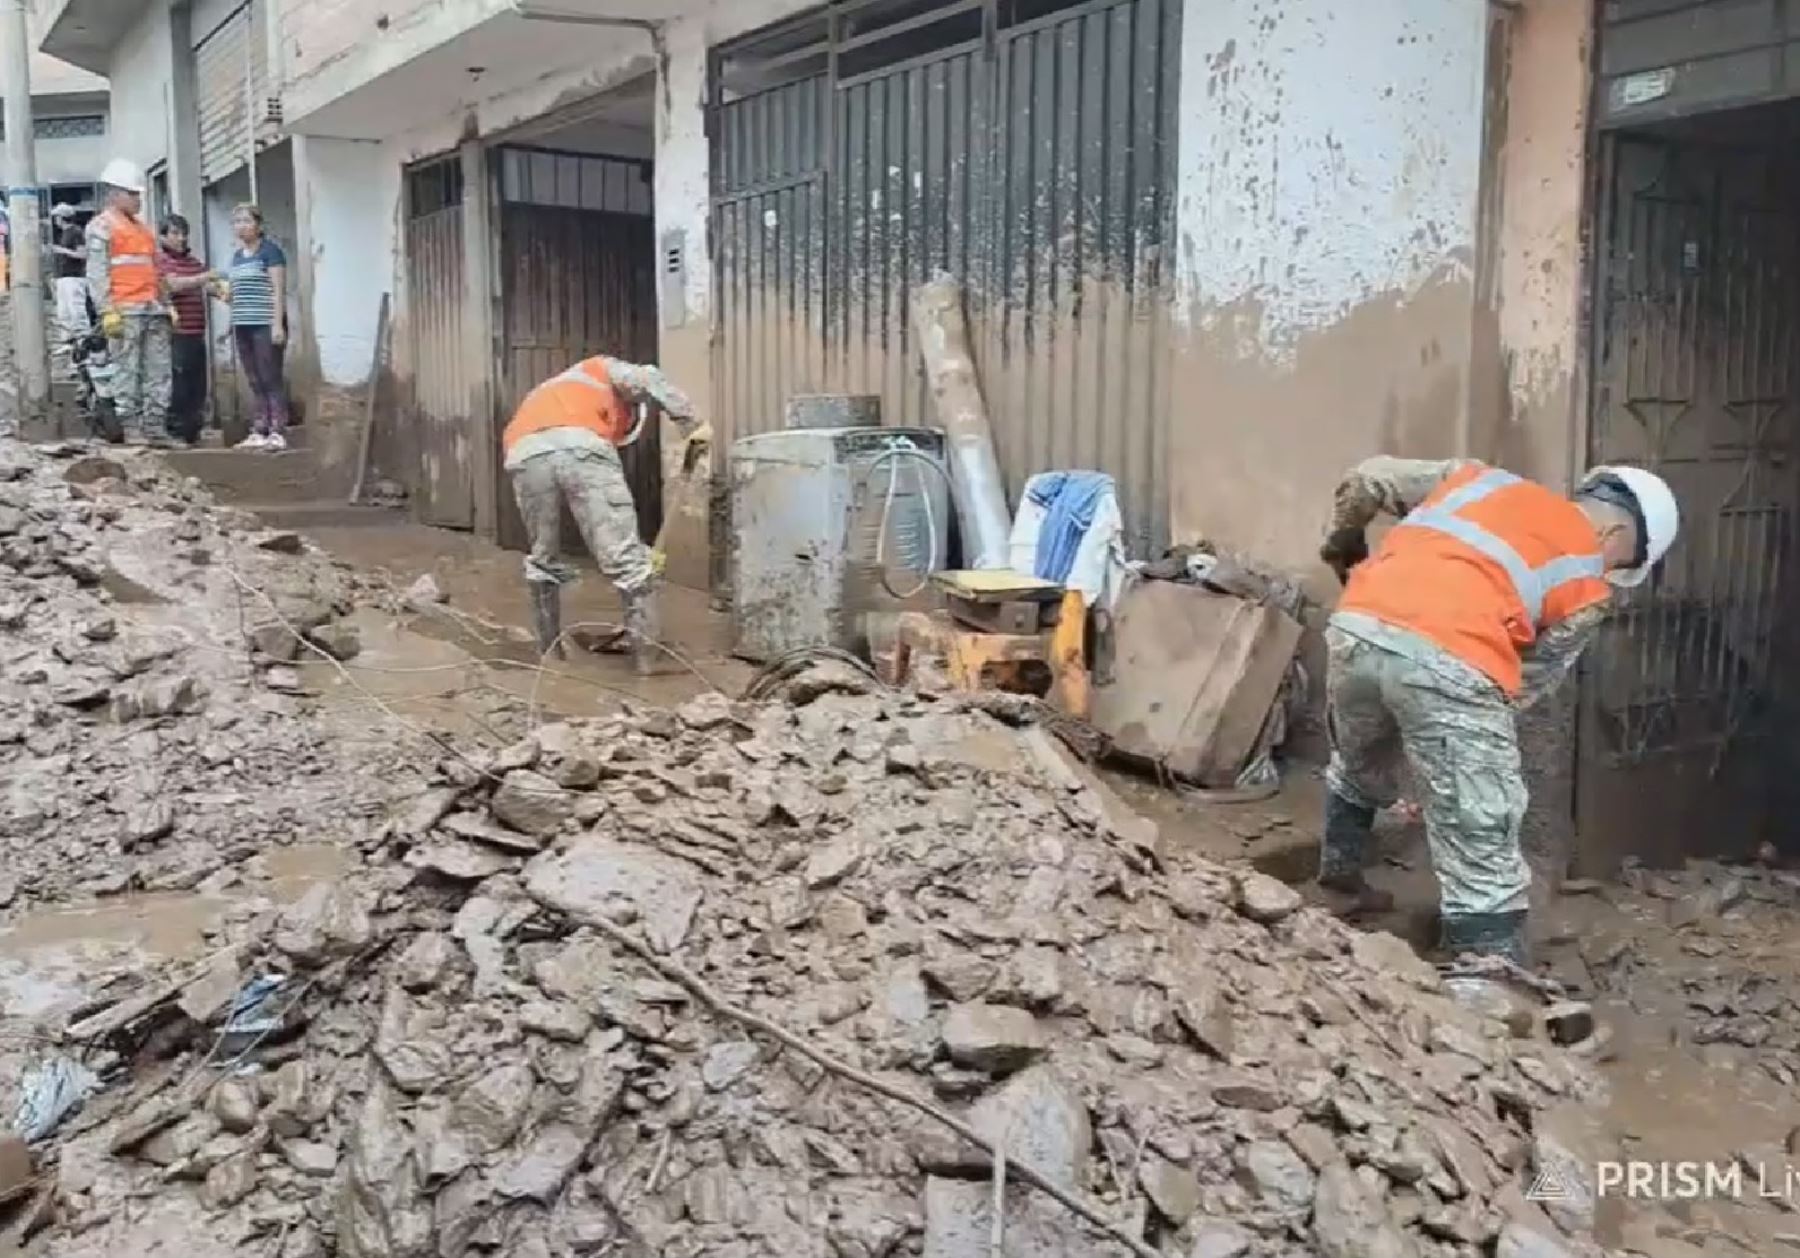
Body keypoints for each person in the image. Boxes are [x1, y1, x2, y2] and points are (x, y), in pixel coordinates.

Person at [1316, 458, 1680, 964]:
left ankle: (1339, 885)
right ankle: (1487, 982)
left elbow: (1365, 479)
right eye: (1622, 562)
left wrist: (1344, 545)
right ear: (1615, 531)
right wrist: (1456, 768)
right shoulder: (1587, 589)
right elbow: (1516, 684)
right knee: (1482, 830)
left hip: (1356, 625)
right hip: (1455, 653)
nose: (1611, 573)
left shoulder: (1473, 478)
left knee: (1358, 763)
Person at [503, 355, 711, 673]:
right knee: (630, 564)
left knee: (542, 559)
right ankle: (648, 663)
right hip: (581, 446)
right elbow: (648, 378)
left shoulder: (550, 389)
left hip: (524, 453)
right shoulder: (601, 368)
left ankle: (550, 656)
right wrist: (692, 424)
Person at [87, 158, 173, 445]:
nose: (138, 199)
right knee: (127, 371)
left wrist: (166, 302)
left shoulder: (144, 229)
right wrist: (106, 311)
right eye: (132, 194)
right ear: (114, 193)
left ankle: (155, 426)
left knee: (158, 371)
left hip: (151, 308)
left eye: (138, 194)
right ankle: (131, 425)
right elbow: (97, 274)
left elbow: (155, 269)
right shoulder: (102, 227)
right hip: (125, 311)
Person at [224, 204, 290, 451]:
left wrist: (277, 324)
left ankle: (277, 429)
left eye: (246, 220)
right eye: (236, 221)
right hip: (243, 323)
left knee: (270, 376)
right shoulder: (237, 257)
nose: (241, 226)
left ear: (258, 225)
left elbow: (278, 291)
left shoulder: (271, 252)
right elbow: (236, 293)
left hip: (265, 323)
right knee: (253, 378)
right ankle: (259, 428)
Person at [157, 214, 213, 445]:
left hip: (196, 332)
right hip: (175, 334)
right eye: (175, 233)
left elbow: (209, 286)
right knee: (179, 385)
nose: (181, 238)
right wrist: (204, 277)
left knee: (198, 386)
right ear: (163, 236)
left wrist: (223, 289)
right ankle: (176, 430)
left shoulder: (192, 262)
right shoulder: (161, 260)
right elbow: (173, 284)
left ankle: (193, 431)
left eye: (183, 233)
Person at [50, 203, 90, 344]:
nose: (55, 220)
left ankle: (83, 340)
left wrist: (63, 251)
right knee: (64, 311)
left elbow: (82, 254)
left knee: (76, 309)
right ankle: (69, 341)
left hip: (74, 276)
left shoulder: (76, 232)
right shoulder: (65, 234)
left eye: (57, 217)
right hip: (64, 276)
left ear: (62, 218)